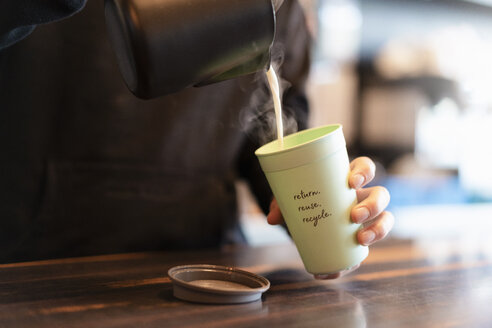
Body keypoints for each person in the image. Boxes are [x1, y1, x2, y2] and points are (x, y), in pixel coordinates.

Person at [0, 0, 393, 277]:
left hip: (210, 273)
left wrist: (325, 210)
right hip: (44, 270)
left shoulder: (279, 5)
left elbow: (274, 128)